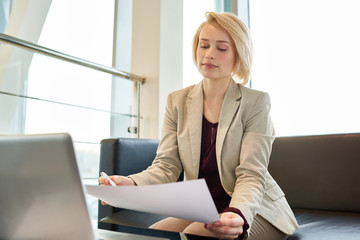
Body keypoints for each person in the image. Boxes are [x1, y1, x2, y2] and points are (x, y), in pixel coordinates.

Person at [99, 12, 298, 240]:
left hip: (254, 210)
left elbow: (251, 174)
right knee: (155, 236)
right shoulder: (177, 101)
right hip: (205, 208)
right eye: (204, 46)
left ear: (238, 54)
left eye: (221, 48)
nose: (209, 54)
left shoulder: (256, 103)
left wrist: (237, 214)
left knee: (195, 234)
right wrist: (132, 183)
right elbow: (166, 166)